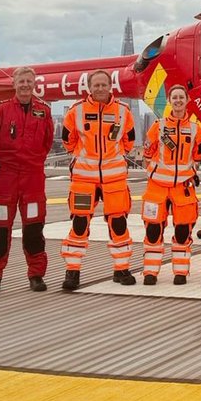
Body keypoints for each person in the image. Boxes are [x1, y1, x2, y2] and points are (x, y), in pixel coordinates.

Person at [59, 70, 138, 290]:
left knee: (119, 225)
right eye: (96, 85)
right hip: (84, 179)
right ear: (89, 88)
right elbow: (68, 140)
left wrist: (115, 157)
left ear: (110, 86)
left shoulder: (123, 111)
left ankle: (121, 269)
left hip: (114, 179)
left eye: (104, 85)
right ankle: (72, 272)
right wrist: (84, 158)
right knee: (79, 224)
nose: (100, 89)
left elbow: (129, 141)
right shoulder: (77, 111)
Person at [0, 66, 54, 295]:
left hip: (32, 178)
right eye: (21, 81)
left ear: (34, 85)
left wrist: (32, 162)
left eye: (29, 82)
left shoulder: (44, 110)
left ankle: (36, 275)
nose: (25, 85)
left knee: (34, 229)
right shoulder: (1, 111)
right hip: (5, 178)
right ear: (14, 84)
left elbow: (47, 142)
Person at [140, 84, 201, 285]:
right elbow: (147, 153)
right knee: (153, 231)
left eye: (181, 97)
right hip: (157, 187)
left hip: (182, 188)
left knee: (183, 231)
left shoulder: (196, 130)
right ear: (169, 101)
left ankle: (180, 272)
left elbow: (198, 155)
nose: (178, 101)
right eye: (174, 98)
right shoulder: (158, 127)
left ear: (187, 100)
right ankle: (150, 272)